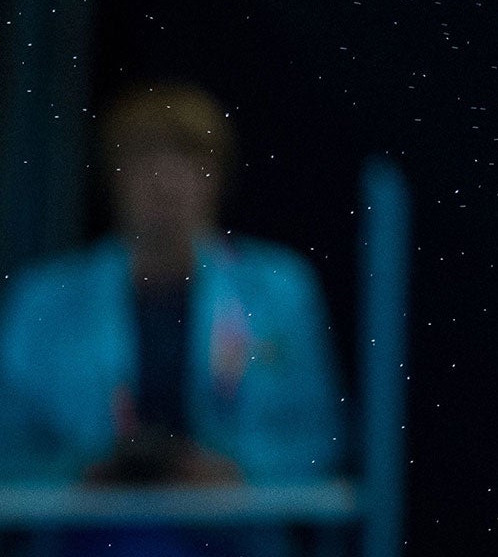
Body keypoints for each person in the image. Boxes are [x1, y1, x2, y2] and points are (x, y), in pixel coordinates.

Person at [0, 84, 344, 516]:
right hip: (84, 530)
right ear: (113, 177)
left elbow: (317, 437)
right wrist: (78, 476)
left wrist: (237, 475)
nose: (164, 180)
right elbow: (9, 443)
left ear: (218, 178)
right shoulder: (44, 299)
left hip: (232, 531)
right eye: (143, 159)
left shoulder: (278, 290)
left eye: (189, 160)